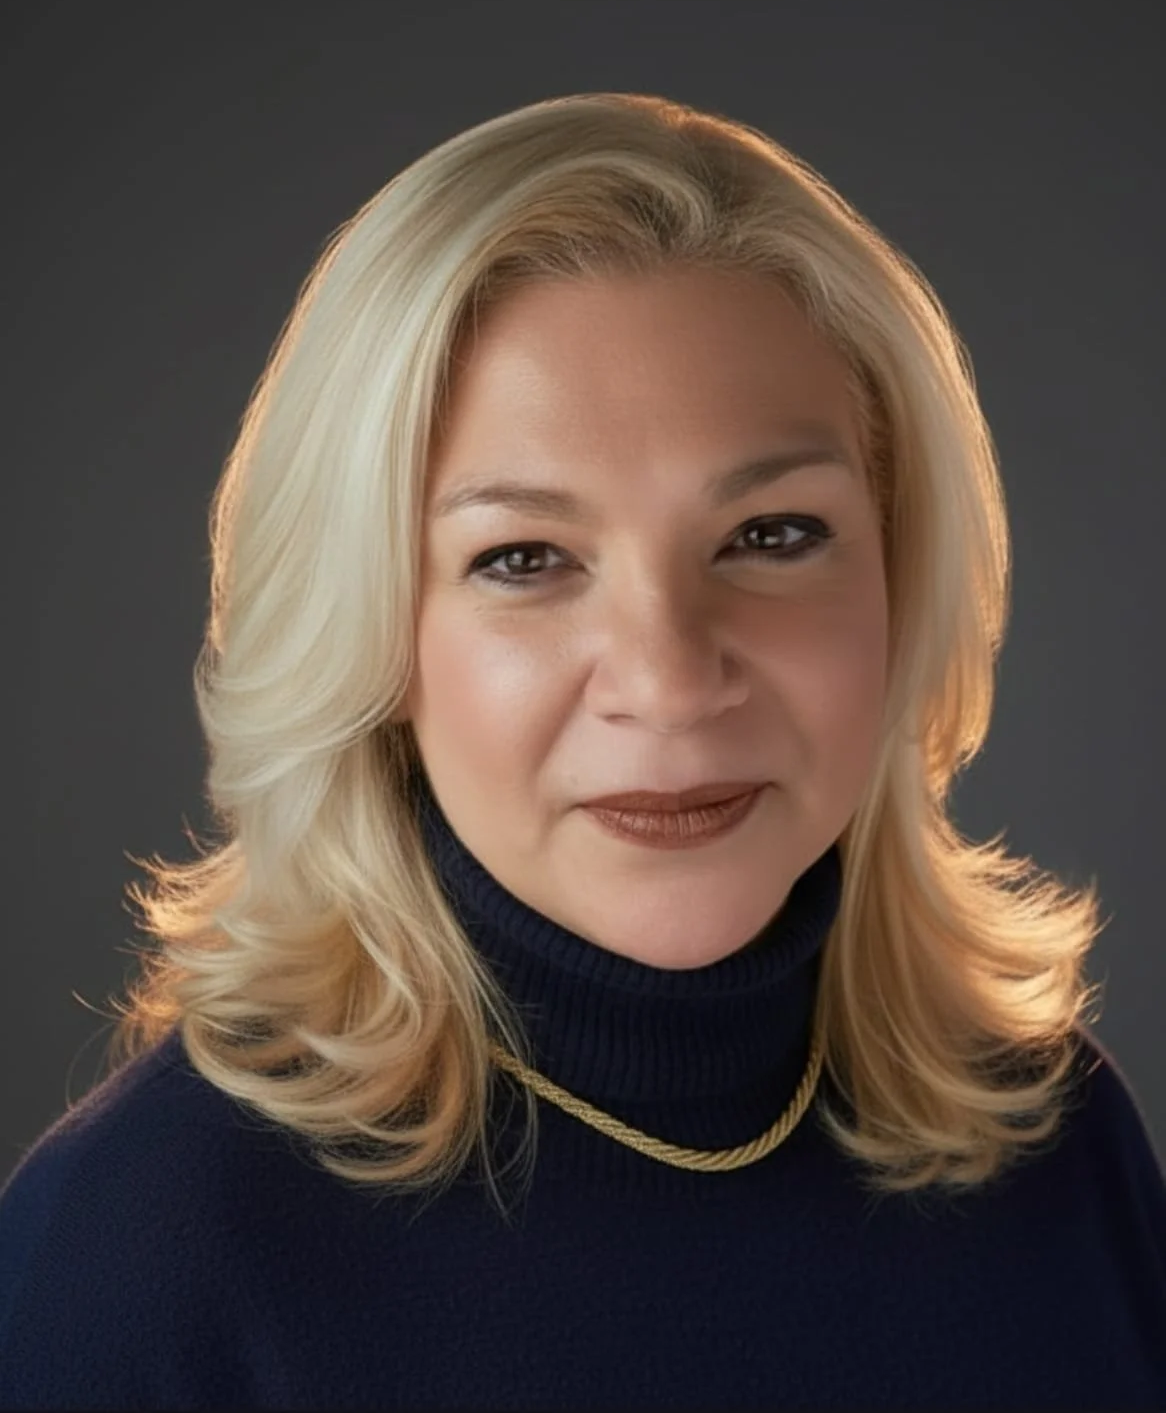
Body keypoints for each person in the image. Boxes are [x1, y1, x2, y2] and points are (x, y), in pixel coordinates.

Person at [1, 91, 1163, 1411]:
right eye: (524, 559)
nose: (669, 681)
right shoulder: (147, 1258)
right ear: (372, 639)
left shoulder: (1054, 1143)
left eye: (771, 535)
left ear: (901, 581)